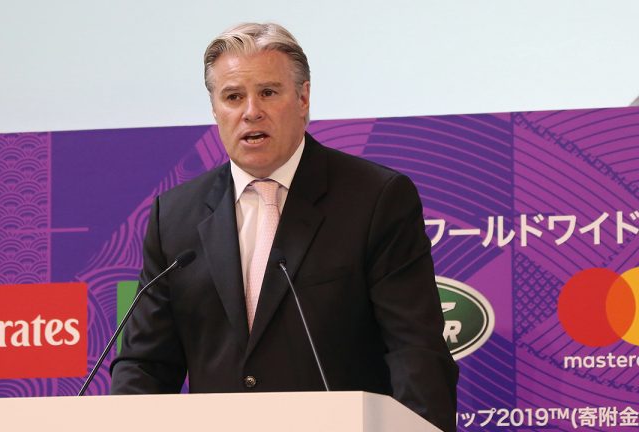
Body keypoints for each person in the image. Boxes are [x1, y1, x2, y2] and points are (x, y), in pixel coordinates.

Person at [110, 22, 458, 431]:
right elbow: (145, 363)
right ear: (215, 110)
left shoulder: (375, 199)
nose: (250, 111)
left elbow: (414, 351)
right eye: (233, 96)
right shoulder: (174, 216)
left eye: (268, 93)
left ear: (303, 98)